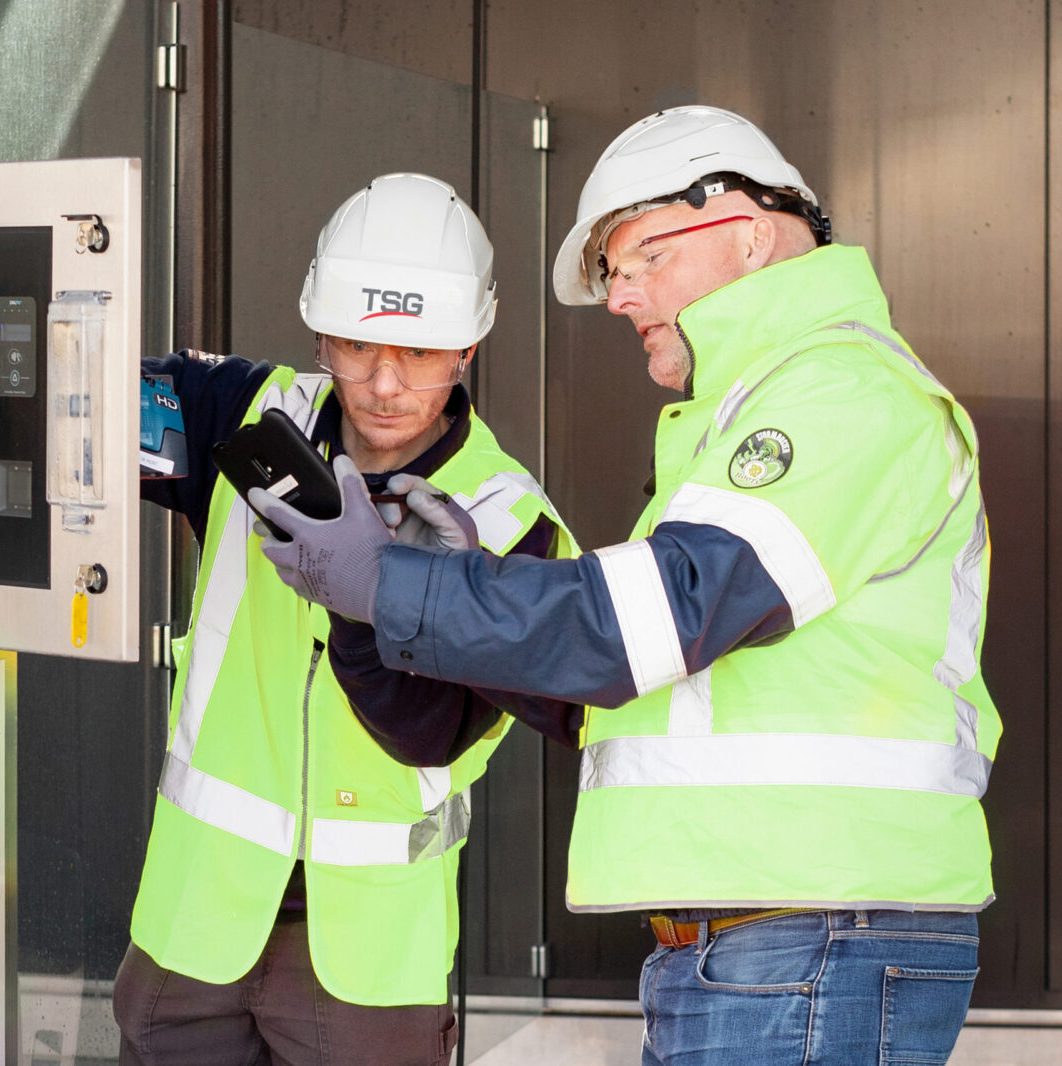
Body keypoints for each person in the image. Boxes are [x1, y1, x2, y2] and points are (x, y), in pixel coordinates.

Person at [251, 107, 1000, 1065]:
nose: (618, 296)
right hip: (775, 944)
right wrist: (438, 588)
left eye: (643, 257)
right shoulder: (753, 415)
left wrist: (394, 584)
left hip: (808, 942)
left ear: (748, 234)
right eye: (613, 272)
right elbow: (613, 689)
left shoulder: (840, 394)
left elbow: (646, 622)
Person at [114, 172, 575, 1066]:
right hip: (194, 925)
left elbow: (429, 733)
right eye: (358, 346)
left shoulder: (511, 523)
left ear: (468, 347)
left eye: (421, 353)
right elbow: (79, 407)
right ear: (321, 332)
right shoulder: (245, 416)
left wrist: (374, 601)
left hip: (365, 963)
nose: (385, 384)